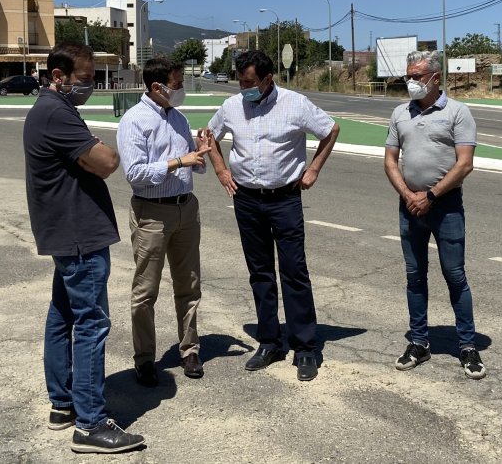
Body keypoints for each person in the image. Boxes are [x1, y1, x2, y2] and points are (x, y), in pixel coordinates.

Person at [23, 42, 145, 453]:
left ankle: (63, 404)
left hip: (66, 233)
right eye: (85, 79)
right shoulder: (56, 113)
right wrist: (95, 148)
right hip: (79, 235)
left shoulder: (52, 109)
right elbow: (108, 162)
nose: (90, 86)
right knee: (92, 323)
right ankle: (91, 424)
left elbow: (94, 159)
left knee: (62, 317)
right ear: (59, 76)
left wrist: (91, 150)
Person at [206, 50, 340, 382]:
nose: (243, 88)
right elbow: (208, 137)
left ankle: (305, 347)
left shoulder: (295, 104)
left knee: (294, 271)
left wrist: (314, 169)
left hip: (285, 199)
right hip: (247, 199)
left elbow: (330, 130)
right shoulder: (232, 106)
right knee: (260, 273)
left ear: (268, 79)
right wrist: (221, 170)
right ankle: (269, 342)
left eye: (249, 82)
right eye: (240, 81)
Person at [383, 51, 486, 380]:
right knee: (415, 276)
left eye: (417, 76)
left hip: (445, 206)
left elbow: (465, 164)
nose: (411, 81)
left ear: (435, 77)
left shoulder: (457, 112)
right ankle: (419, 341)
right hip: (409, 206)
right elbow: (390, 160)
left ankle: (467, 345)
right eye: (408, 76)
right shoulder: (400, 113)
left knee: (455, 276)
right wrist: (408, 195)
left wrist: (430, 195)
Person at [116, 57, 212, 387]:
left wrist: (200, 155)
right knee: (146, 290)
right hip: (152, 213)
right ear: (157, 87)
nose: (181, 88)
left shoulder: (179, 118)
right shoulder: (134, 120)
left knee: (189, 285)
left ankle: (190, 349)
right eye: (177, 83)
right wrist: (177, 161)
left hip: (186, 208)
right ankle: (144, 358)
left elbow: (193, 165)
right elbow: (135, 173)